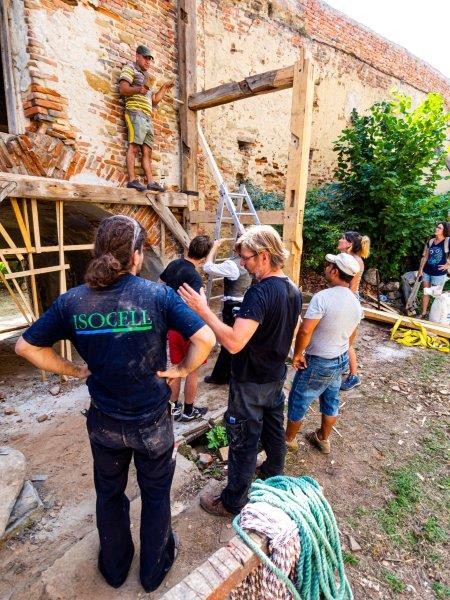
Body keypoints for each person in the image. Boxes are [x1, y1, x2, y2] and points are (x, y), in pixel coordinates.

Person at [15, 215, 215, 592]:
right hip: (152, 424)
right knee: (155, 495)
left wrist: (74, 370)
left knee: (109, 494)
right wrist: (182, 369)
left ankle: (114, 566)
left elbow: (26, 347)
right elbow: (206, 339)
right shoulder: (158, 296)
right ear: (136, 256)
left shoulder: (72, 302)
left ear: (98, 252)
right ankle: (153, 570)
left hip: (105, 423)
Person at [178, 225, 302, 516]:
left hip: (250, 380)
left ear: (263, 255)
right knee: (273, 429)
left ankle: (233, 501)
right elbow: (291, 328)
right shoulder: (292, 289)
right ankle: (273, 471)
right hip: (275, 375)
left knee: (243, 440)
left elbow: (234, 343)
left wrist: (202, 310)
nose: (242, 264)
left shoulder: (259, 293)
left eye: (246, 258)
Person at [285, 253, 362, 454]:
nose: (326, 267)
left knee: (299, 399)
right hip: (339, 359)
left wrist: (298, 354)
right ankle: (323, 439)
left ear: (335, 271)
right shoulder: (355, 301)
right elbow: (352, 334)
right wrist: (341, 349)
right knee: (331, 400)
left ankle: (289, 440)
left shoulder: (323, 297)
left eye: (329, 265)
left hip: (319, 360)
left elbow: (305, 330)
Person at [159, 235, 213, 421]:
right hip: (189, 329)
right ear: (204, 257)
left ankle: (173, 408)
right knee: (191, 370)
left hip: (172, 327)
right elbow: (197, 305)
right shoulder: (195, 277)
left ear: (189, 248)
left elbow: (160, 286)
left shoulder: (173, 264)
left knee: (175, 368)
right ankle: (189, 411)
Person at [118, 45, 174, 193]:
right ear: (137, 56)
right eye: (145, 58)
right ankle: (132, 180)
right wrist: (138, 89)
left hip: (147, 118)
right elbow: (123, 89)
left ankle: (150, 182)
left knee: (147, 152)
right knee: (134, 147)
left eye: (150, 59)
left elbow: (154, 100)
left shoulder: (147, 76)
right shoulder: (130, 68)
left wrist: (164, 87)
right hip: (135, 113)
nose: (148, 61)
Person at [202, 238, 252, 385]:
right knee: (240, 340)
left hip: (232, 306)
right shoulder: (251, 261)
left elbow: (207, 267)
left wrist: (215, 247)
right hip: (245, 303)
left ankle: (220, 376)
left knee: (228, 341)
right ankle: (234, 374)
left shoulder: (232, 265)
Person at [337, 231, 370, 391]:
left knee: (347, 341)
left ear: (349, 244)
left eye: (343, 239)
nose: (339, 240)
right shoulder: (348, 258)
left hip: (349, 300)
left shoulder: (355, 261)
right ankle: (343, 366)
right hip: (346, 298)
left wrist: (341, 304)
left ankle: (354, 375)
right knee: (341, 339)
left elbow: (352, 288)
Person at [417, 222, 450, 318]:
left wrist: (448, 264)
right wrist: (420, 270)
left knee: (436, 295)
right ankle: (423, 313)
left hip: (439, 273)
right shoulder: (431, 241)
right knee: (426, 292)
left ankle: (436, 315)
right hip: (427, 271)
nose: (436, 229)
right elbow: (425, 256)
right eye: (437, 227)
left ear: (445, 230)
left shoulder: (447, 241)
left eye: (439, 228)